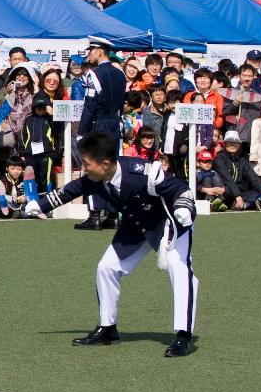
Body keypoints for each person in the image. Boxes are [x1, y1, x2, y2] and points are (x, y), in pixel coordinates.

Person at [28, 133, 199, 358]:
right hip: (136, 226)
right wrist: (39, 206)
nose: (84, 168)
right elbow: (71, 190)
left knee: (180, 269)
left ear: (105, 164)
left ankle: (183, 336)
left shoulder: (143, 172)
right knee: (106, 267)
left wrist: (184, 208)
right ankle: (108, 329)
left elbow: (179, 188)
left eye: (87, 163)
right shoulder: (95, 177)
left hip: (170, 223)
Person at [76, 38, 126, 230]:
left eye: (91, 50)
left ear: (99, 51)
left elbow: (90, 106)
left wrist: (82, 132)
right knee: (114, 170)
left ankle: (95, 214)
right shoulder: (120, 74)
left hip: (99, 126)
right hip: (115, 125)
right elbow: (121, 104)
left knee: (93, 169)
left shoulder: (94, 75)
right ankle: (113, 214)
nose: (89, 54)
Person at [214, 131, 261, 210]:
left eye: (235, 142)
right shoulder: (219, 158)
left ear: (239, 145)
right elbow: (228, 179)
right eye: (229, 142)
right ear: (224, 143)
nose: (232, 144)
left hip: (240, 192)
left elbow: (253, 178)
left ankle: (245, 205)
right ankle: (247, 203)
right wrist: (237, 196)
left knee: (258, 194)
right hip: (225, 191)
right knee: (227, 191)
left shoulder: (242, 160)